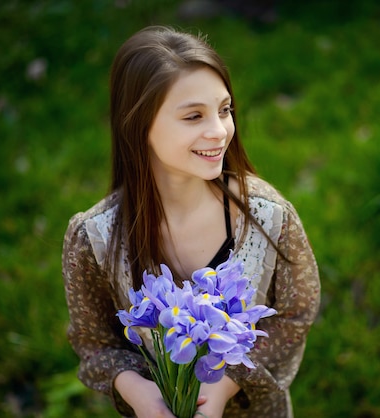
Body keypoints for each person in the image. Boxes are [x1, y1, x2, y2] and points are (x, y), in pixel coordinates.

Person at [62, 26, 320, 418]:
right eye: (194, 116)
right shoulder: (94, 238)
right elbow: (94, 342)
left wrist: (224, 385)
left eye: (224, 109)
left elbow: (295, 314)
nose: (219, 131)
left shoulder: (268, 217)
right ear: (138, 124)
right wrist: (139, 393)